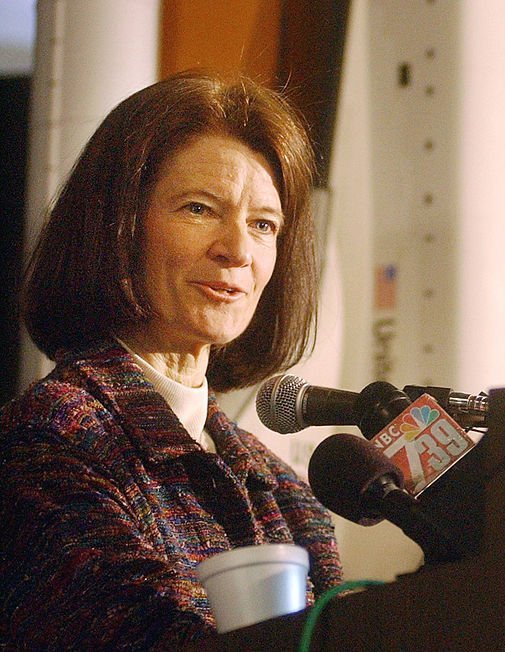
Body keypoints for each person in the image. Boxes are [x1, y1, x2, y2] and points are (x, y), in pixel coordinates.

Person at [0, 71, 343, 649]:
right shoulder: (48, 438)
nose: (237, 250)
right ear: (118, 226)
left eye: (263, 224)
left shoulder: (279, 488)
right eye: (199, 209)